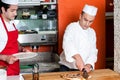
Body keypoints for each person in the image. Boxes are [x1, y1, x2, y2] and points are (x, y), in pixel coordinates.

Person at [59, 4, 98, 73]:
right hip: (67, 68)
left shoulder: (92, 32)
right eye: (85, 20)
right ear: (80, 16)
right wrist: (78, 58)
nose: (87, 24)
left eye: (90, 21)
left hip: (84, 70)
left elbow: (93, 52)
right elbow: (67, 44)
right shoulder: (71, 27)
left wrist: (88, 65)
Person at [0, 0, 25, 76]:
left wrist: (21, 48)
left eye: (16, 10)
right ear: (3, 9)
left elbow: (13, 40)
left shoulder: (11, 22)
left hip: (14, 68)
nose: (16, 13)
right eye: (12, 10)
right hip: (2, 70)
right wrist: (5, 58)